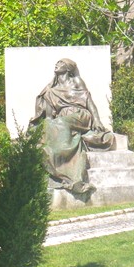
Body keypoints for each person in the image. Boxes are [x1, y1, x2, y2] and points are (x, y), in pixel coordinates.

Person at [29, 58, 114, 195]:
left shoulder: (76, 81)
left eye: (61, 63)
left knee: (61, 123)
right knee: (51, 124)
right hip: (63, 120)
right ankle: (58, 161)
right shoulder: (50, 91)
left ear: (68, 68)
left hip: (81, 115)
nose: (57, 64)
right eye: (56, 62)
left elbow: (89, 102)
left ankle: (62, 158)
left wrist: (97, 120)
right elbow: (50, 117)